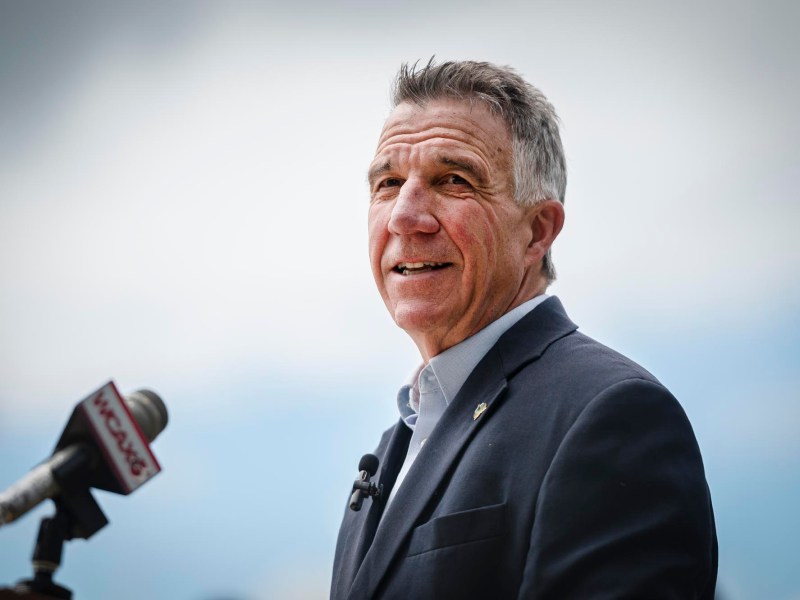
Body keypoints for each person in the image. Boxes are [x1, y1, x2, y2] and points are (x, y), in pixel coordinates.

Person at [331, 59, 717, 600]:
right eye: (388, 183)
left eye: (453, 180)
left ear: (538, 231)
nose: (403, 216)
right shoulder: (396, 441)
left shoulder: (611, 416)